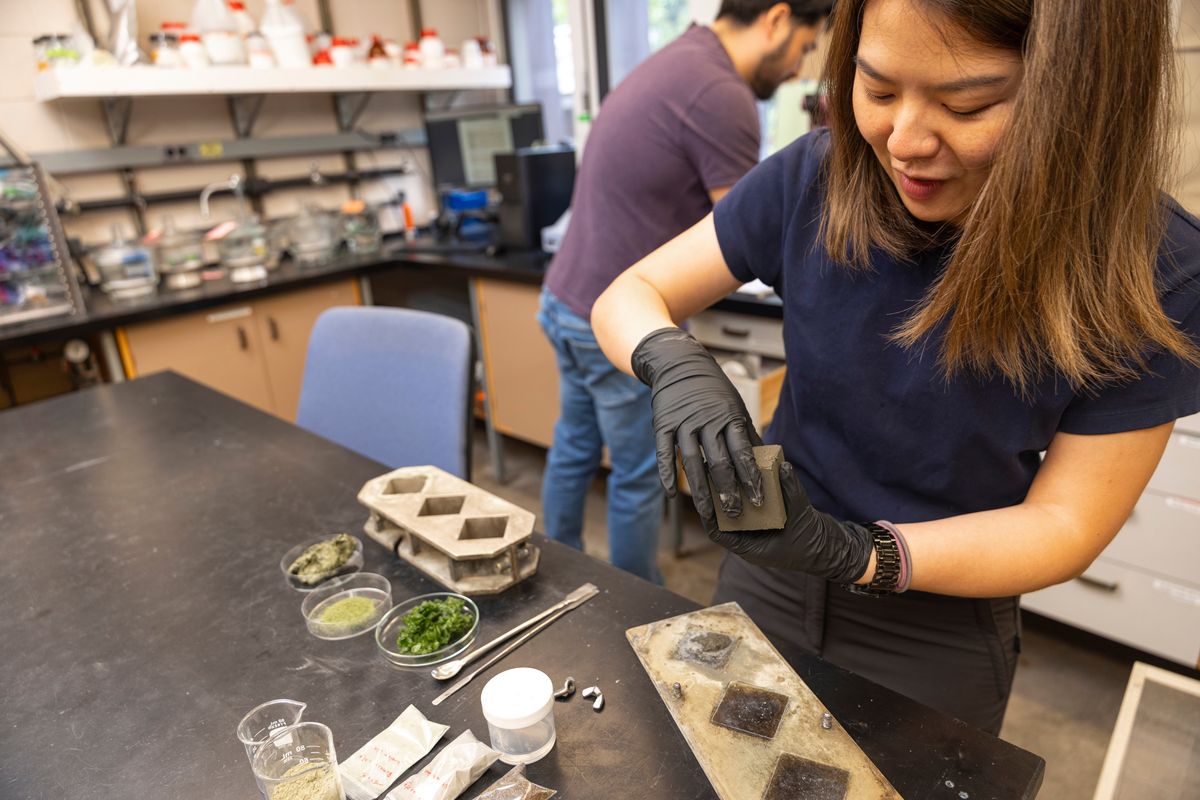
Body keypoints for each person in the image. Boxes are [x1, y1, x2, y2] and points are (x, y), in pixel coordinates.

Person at [592, 0, 1200, 733]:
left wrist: (862, 554)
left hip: (936, 622)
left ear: (1081, 96)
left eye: (967, 105)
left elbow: (1066, 523)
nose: (904, 141)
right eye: (877, 90)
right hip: (768, 571)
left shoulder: (1156, 267)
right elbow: (631, 293)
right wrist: (672, 358)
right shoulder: (818, 177)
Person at [538, 1, 831, 583]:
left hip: (566, 297)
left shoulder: (679, 60)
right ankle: (637, 602)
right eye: (804, 47)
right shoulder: (723, 96)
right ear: (776, 20)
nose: (800, 69)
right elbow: (751, 232)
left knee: (573, 446)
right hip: (613, 313)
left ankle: (552, 575)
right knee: (640, 474)